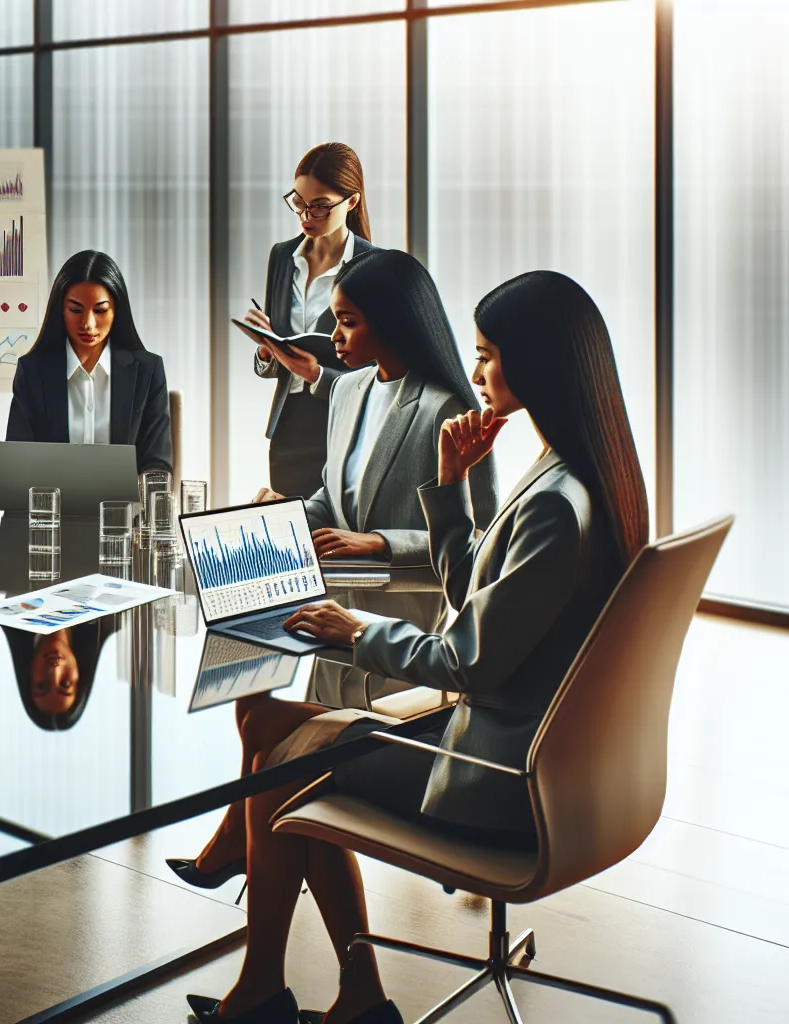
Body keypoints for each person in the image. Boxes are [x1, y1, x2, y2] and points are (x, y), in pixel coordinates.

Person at [176, 271, 649, 1023]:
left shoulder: (556, 505)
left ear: (536, 364)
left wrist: (354, 630)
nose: (479, 370)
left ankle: (267, 993)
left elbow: (465, 658)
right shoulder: (582, 476)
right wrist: (451, 485)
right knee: (269, 729)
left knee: (280, 767)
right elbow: (477, 599)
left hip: (498, 772)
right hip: (535, 749)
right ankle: (335, 992)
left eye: (490, 354)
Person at [253, 248, 499, 566]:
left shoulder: (447, 411)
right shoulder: (344, 390)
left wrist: (381, 543)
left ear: (390, 322)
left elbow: (482, 535)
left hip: (403, 601)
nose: (335, 336)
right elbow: (333, 498)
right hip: (336, 592)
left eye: (348, 322)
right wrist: (288, 514)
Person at [245, 142, 375, 496]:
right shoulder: (283, 256)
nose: (305, 216)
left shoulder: (375, 267)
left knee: (333, 544)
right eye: (299, 202)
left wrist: (316, 374)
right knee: (290, 538)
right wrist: (267, 350)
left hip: (345, 432)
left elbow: (380, 377)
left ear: (352, 202)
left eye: (319, 206)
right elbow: (274, 365)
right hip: (288, 430)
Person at [4, 250, 174, 474]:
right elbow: (17, 462)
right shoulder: (33, 371)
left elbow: (157, 465)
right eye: (76, 310)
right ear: (61, 310)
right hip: (53, 507)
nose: (88, 324)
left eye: (100, 310)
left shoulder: (147, 371)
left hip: (125, 507)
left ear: (116, 310)